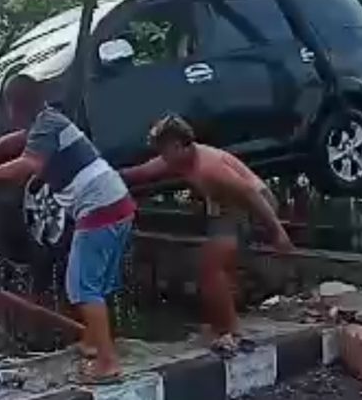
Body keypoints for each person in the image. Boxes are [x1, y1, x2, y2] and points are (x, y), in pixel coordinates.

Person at [0, 74, 136, 383]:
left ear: (14, 106)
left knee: (82, 287)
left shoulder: (47, 125)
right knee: (96, 284)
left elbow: (27, 164)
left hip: (99, 210)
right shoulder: (48, 121)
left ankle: (108, 364)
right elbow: (18, 141)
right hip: (115, 203)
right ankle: (95, 343)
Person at [118, 114, 295, 356]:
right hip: (223, 207)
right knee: (218, 271)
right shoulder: (177, 159)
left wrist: (278, 232)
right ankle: (221, 326)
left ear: (178, 145)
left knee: (211, 269)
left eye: (164, 149)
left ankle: (232, 331)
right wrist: (106, 176)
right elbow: (141, 173)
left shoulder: (209, 167)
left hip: (251, 206)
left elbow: (250, 194)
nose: (161, 155)